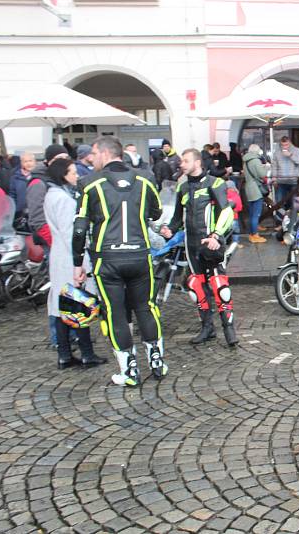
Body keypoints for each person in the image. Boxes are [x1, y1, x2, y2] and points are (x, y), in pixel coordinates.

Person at [73, 135, 168, 386]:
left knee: (115, 312)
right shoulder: (145, 178)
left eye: (94, 154)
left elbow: (79, 228)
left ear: (104, 153)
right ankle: (157, 361)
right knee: (145, 307)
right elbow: (156, 212)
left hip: (108, 258)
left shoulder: (88, 183)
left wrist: (77, 263)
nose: (92, 159)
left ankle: (129, 370)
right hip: (139, 254)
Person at [161, 148, 238, 346]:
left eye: (185, 161)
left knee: (219, 284)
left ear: (197, 163)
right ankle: (207, 328)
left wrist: (216, 235)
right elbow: (177, 218)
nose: (181, 164)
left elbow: (227, 212)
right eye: (181, 161)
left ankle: (229, 329)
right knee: (196, 285)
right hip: (191, 244)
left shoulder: (215, 183)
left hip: (211, 243)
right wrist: (169, 230)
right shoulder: (182, 188)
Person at [44, 158, 106, 370]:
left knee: (65, 308)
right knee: (77, 305)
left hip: (61, 256)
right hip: (68, 259)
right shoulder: (62, 199)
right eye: (72, 172)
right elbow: (72, 234)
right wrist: (79, 263)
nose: (76, 175)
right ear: (63, 174)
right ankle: (86, 353)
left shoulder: (55, 196)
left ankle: (65, 354)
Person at [27, 144, 70, 251]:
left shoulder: (61, 178)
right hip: (51, 240)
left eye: (66, 158)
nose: (63, 162)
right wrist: (55, 241)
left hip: (64, 238)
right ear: (49, 161)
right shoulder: (38, 183)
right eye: (59, 158)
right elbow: (37, 219)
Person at [242, 144, 269, 243]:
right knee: (256, 214)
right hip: (256, 189)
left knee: (251, 213)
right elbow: (262, 174)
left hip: (248, 188)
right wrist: (265, 167)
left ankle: (251, 232)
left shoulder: (246, 161)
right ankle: (255, 235)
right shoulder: (256, 161)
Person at [273, 136, 299, 205]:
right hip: (281, 182)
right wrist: (274, 179)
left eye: (286, 145)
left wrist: (290, 155)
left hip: (293, 181)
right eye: (283, 145)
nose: (285, 147)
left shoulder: (297, 150)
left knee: (294, 203)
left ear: (290, 143)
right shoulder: (277, 153)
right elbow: (274, 167)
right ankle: (280, 216)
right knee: (279, 202)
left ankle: (292, 216)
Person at [8, 152, 36, 220]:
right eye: (25, 161)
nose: (28, 163)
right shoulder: (15, 177)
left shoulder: (40, 176)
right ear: (21, 163)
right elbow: (12, 195)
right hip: (20, 213)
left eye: (30, 161)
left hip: (36, 211)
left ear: (35, 162)